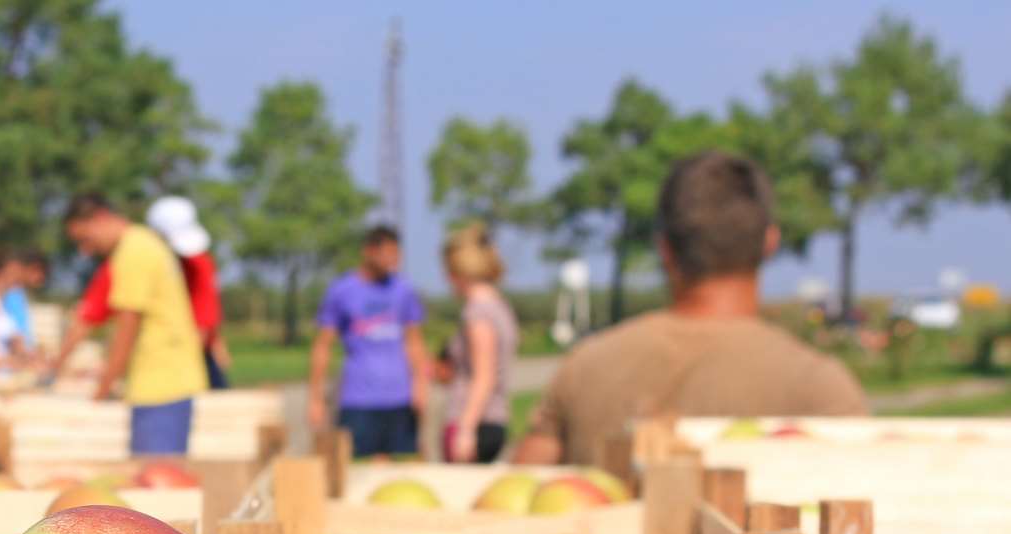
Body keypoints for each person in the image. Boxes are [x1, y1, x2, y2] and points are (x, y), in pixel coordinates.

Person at [518, 150, 867, 465]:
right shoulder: (819, 388)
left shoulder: (584, 368)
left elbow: (521, 489)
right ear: (769, 242)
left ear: (665, 249)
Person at [62, 193, 207, 453]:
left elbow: (127, 326)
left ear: (100, 219)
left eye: (84, 238)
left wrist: (102, 391)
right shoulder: (141, 244)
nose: (85, 249)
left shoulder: (134, 252)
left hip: (160, 387)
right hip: (165, 382)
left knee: (156, 481)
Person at [308, 225, 431, 457]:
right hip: (358, 400)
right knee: (355, 470)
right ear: (369, 251)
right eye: (387, 253)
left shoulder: (403, 291)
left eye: (397, 254)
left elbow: (414, 342)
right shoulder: (342, 291)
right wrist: (315, 399)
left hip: (400, 400)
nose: (393, 260)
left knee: (404, 468)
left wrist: (421, 384)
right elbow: (323, 346)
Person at [440, 224, 519, 464]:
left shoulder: (477, 312)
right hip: (494, 419)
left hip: (476, 421)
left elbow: (484, 376)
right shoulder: (499, 306)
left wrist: (466, 430)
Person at [146, 197, 231, 390]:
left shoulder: (199, 263)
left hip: (192, 359)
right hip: (156, 361)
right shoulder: (142, 263)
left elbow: (204, 320)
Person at [0, 250, 47, 355]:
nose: (41, 277)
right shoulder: (10, 295)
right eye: (38, 271)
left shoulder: (19, 295)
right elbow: (15, 339)